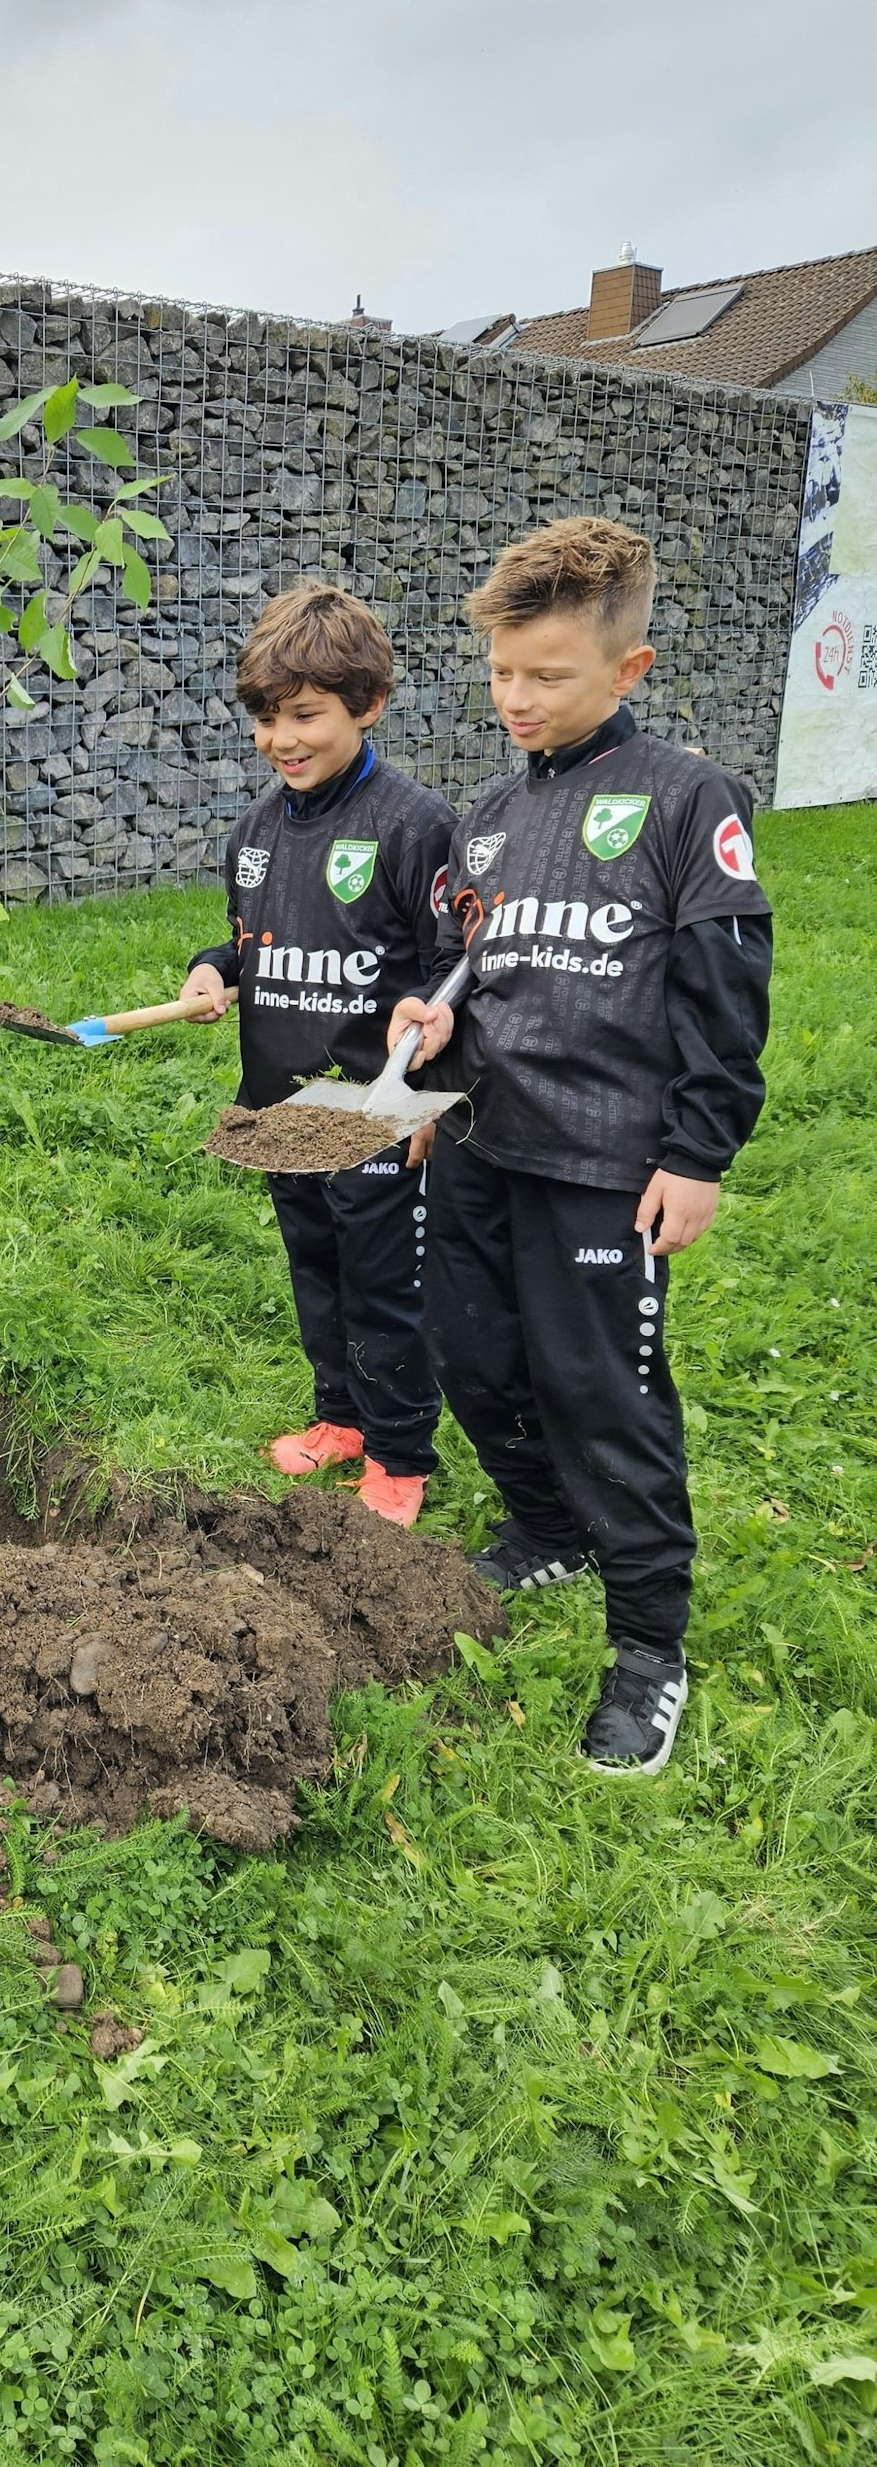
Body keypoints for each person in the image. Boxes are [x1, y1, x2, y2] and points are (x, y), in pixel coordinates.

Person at [389, 516, 772, 1775]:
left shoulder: (684, 798)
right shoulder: (488, 813)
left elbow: (724, 992)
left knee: (603, 1397)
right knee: (471, 1360)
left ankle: (648, 1649)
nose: (513, 697)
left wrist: (697, 1153)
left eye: (544, 675)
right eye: (500, 671)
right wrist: (434, 1012)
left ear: (627, 668)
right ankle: (544, 1525)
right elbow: (477, 956)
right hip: (480, 1146)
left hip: (608, 1166)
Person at [179, 583, 455, 1524]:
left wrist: (428, 1097)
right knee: (316, 1268)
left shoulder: (414, 826)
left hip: (372, 1114)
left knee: (384, 1284)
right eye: (266, 719)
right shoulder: (253, 833)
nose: (282, 740)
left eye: (305, 716)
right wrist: (213, 970)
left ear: (369, 704)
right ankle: (338, 1419)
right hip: (279, 1110)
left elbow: (452, 971)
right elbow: (249, 940)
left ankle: (402, 1451)